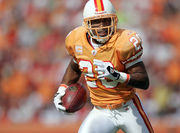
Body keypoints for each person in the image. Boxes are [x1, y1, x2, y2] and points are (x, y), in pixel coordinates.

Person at [54, 0, 154, 133]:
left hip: (128, 108)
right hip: (100, 111)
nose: (101, 26)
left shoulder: (123, 42)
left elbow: (143, 81)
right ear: (86, 24)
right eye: (96, 21)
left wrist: (118, 76)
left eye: (106, 20)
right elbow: (74, 66)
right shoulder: (78, 40)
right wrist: (62, 89)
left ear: (114, 21)